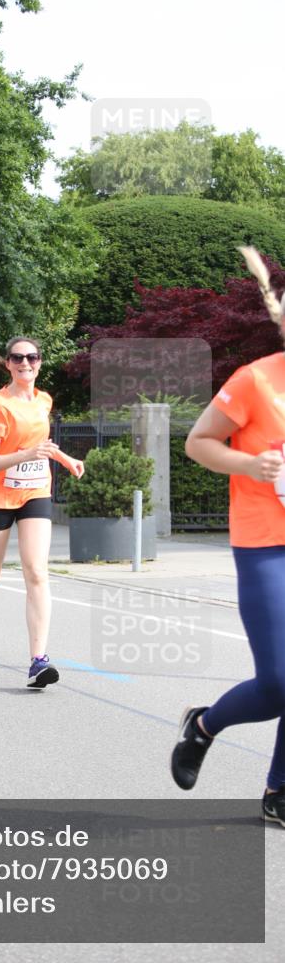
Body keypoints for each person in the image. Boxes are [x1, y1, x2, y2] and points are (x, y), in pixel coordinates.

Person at [171, 255, 285, 825]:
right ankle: (203, 725)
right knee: (280, 681)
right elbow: (198, 442)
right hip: (266, 542)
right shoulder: (256, 380)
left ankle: (279, 790)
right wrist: (250, 464)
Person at [0, 336, 84, 688]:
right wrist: (26, 456)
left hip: (35, 491)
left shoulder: (43, 400)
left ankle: (38, 661)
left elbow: (38, 444)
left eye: (32, 357)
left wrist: (64, 458)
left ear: (40, 362)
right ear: (9, 364)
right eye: (18, 358)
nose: (25, 363)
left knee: (37, 571)